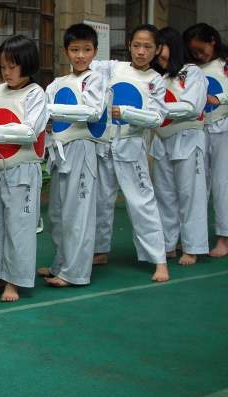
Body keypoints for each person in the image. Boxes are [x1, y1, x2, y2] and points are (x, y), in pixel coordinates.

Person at [90, 24, 170, 282]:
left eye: (148, 46)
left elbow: (157, 117)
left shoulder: (156, 81)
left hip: (131, 145)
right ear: (129, 45)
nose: (141, 51)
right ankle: (99, 249)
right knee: (101, 200)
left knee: (141, 201)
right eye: (137, 45)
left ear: (157, 49)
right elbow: (85, 63)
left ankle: (159, 260)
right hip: (104, 144)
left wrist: (126, 113)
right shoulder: (114, 68)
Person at [0, 35, 49, 302]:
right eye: (3, 67)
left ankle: (14, 281)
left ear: (26, 64)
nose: (6, 72)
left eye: (12, 66)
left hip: (23, 170)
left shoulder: (36, 94)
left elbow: (29, 131)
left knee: (19, 225)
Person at [38, 23, 105, 287]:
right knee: (57, 213)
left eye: (86, 50)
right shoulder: (57, 84)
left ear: (94, 52)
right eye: (75, 49)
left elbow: (93, 111)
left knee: (78, 213)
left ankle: (76, 272)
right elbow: (43, 114)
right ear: (66, 51)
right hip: (59, 150)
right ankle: (61, 264)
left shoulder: (96, 80)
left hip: (81, 148)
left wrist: (53, 112)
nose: (80, 55)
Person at [183, 23, 228, 257]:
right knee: (195, 184)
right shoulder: (190, 67)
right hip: (197, 129)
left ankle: (224, 238)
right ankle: (195, 239)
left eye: (201, 49)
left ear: (213, 40)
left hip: (225, 126)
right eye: (193, 51)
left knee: (225, 182)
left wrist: (222, 98)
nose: (198, 54)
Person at [151, 27, 209, 265]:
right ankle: (168, 243)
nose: (157, 55)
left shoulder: (192, 73)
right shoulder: (159, 79)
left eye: (159, 48)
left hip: (187, 138)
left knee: (190, 193)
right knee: (164, 194)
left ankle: (192, 246)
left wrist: (157, 110)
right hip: (162, 139)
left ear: (171, 45)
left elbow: (192, 107)